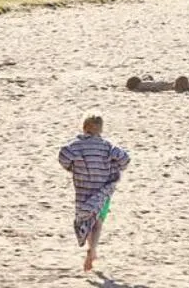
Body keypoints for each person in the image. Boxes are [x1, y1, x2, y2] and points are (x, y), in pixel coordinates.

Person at [58, 115, 127, 272]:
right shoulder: (107, 146)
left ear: (84, 127)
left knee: (86, 219)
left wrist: (73, 167)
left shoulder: (75, 146)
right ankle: (93, 250)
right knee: (98, 222)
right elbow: (125, 159)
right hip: (102, 191)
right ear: (101, 129)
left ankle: (91, 249)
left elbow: (63, 156)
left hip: (83, 190)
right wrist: (114, 167)